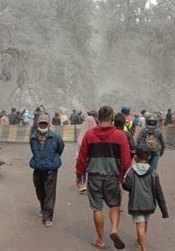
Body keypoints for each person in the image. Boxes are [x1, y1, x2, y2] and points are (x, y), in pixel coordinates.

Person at [76, 106, 131, 250]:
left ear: (98, 118)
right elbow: (126, 161)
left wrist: (78, 175)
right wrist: (123, 179)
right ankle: (113, 230)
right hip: (112, 177)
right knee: (114, 205)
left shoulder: (89, 135)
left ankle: (100, 240)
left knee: (97, 208)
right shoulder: (120, 136)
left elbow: (82, 159)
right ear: (112, 118)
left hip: (94, 177)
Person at [123, 144, 169, 251]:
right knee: (145, 222)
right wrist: (164, 211)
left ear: (135, 157)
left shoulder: (131, 171)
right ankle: (140, 241)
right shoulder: (153, 172)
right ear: (149, 157)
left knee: (140, 225)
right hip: (149, 204)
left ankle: (143, 248)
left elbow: (126, 186)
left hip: (136, 203)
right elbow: (158, 192)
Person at [29, 114, 65, 228]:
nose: (43, 125)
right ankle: (43, 207)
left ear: (48, 124)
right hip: (38, 167)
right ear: (38, 124)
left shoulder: (55, 137)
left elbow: (60, 148)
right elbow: (33, 151)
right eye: (41, 123)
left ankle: (48, 217)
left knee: (50, 193)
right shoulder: (33, 138)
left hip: (51, 168)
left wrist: (53, 159)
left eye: (45, 123)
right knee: (40, 191)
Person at [76, 116, 97, 193]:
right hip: (94, 157)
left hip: (84, 156)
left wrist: (77, 156)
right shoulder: (96, 133)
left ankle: (83, 184)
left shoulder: (83, 133)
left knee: (83, 171)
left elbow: (79, 145)